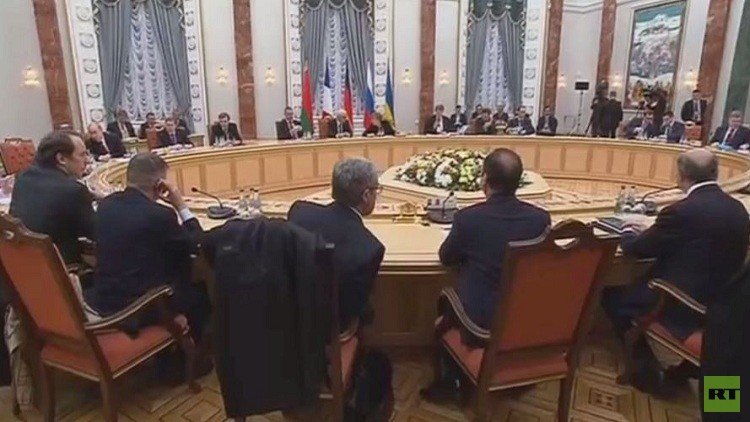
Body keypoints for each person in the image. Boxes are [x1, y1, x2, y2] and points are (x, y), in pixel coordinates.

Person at [601, 148, 749, 395]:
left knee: (613, 297)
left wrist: (627, 231)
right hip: (726, 308)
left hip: (683, 304)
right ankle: (692, 378)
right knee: (724, 402)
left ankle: (646, 373)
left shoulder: (681, 211)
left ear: (682, 175)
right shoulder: (738, 209)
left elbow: (637, 248)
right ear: (716, 173)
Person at [422, 148, 550, 402]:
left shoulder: (468, 218)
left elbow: (446, 257)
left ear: (485, 180)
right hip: (526, 317)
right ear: (518, 182)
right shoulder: (540, 219)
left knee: (445, 302)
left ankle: (450, 382)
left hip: (481, 322)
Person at [84, 153, 211, 342]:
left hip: (104, 297)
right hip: (141, 307)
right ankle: (192, 354)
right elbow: (197, 243)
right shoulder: (160, 215)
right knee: (202, 294)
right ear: (160, 184)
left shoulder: (106, 205)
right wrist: (180, 205)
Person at [287, 158, 385, 329]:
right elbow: (355, 308)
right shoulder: (369, 248)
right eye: (376, 190)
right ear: (366, 195)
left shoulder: (299, 211)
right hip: (328, 332)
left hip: (287, 319)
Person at [9, 130, 95, 265]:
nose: (88, 160)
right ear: (61, 159)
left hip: (21, 266)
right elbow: (97, 234)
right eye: (82, 154)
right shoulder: (74, 191)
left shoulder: (23, 177)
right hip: (63, 269)